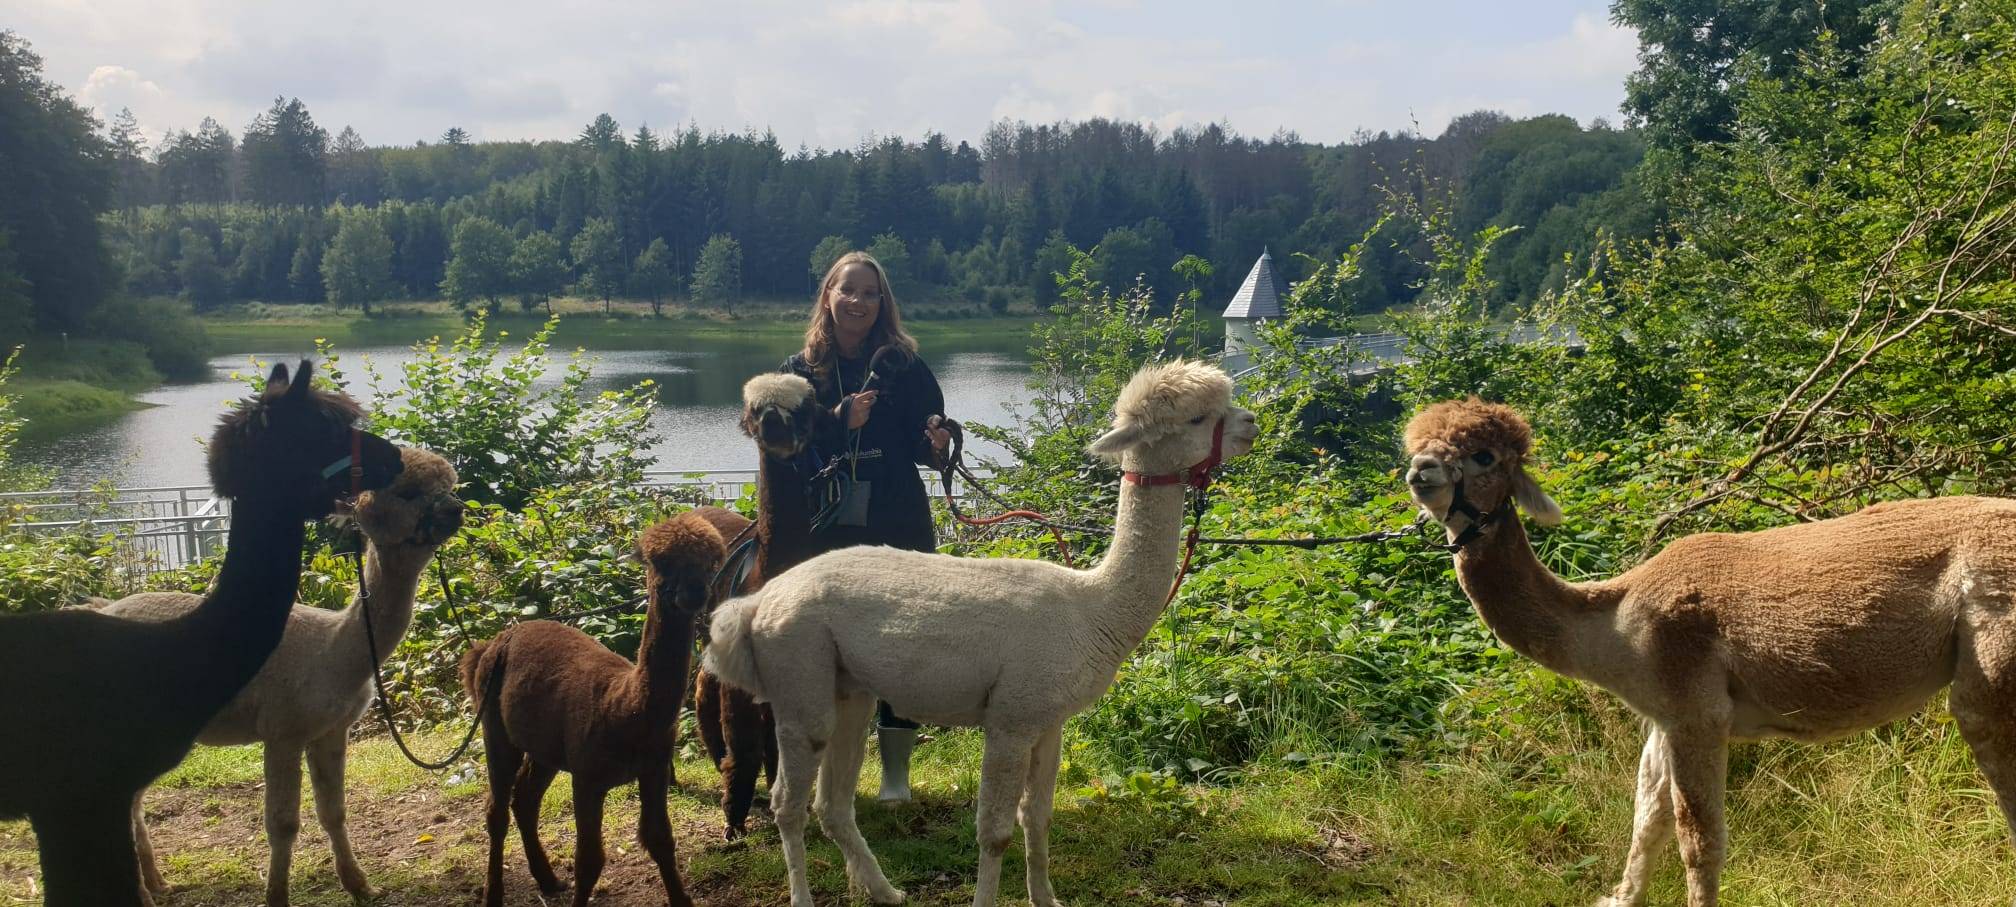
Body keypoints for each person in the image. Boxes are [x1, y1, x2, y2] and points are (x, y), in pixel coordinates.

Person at [782, 250, 951, 803]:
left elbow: (927, 446)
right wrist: (837, 421)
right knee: (829, 646)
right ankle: (833, 771)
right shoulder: (798, 372)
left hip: (898, 517)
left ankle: (896, 776)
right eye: (847, 290)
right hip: (827, 527)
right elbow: (784, 449)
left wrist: (938, 441)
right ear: (828, 295)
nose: (857, 301)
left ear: (883, 304)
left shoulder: (906, 365)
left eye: (869, 293)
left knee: (905, 642)